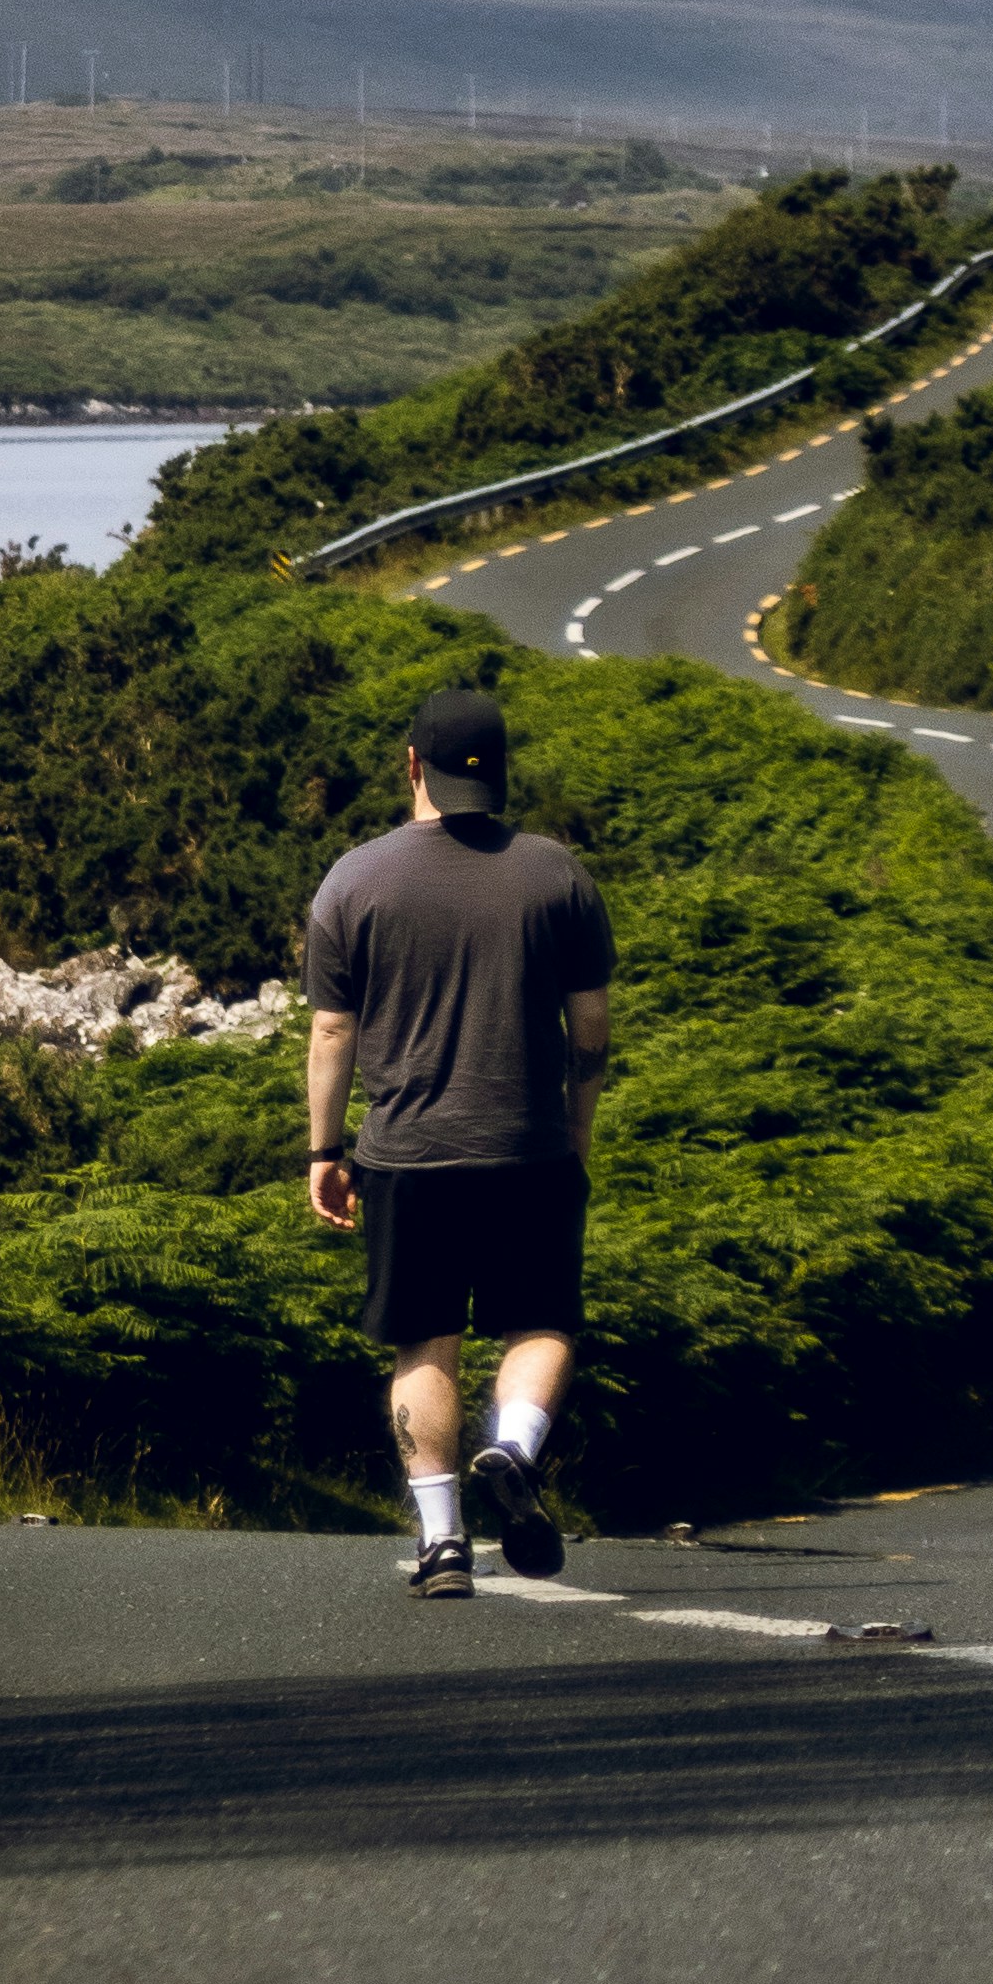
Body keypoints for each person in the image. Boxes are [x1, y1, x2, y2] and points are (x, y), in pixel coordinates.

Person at [304, 684, 614, 1596]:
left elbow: (331, 1033)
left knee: (422, 1343)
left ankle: (443, 1544)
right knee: (542, 1321)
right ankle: (514, 1448)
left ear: (413, 765)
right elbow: (589, 1030)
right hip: (530, 1146)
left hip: (405, 1157)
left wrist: (325, 1152)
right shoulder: (559, 874)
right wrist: (577, 1138)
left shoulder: (354, 880)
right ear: (502, 769)